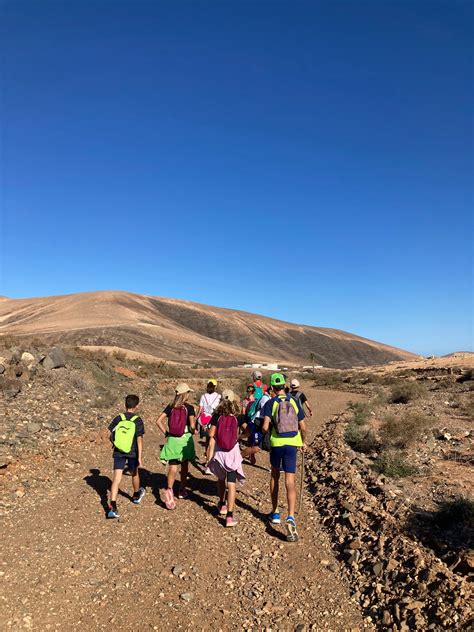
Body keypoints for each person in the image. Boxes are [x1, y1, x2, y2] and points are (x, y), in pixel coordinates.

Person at [262, 373, 306, 542]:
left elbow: (265, 427)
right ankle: (290, 517)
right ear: (285, 387)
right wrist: (302, 442)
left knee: (275, 475)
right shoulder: (294, 401)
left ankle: (274, 513)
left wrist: (265, 432)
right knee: (290, 480)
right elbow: (304, 426)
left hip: (277, 444)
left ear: (272, 387)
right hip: (292, 444)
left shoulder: (271, 403)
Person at [206, 389, 245, 527]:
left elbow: (211, 433)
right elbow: (247, 430)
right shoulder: (238, 417)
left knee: (221, 479)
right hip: (233, 452)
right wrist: (238, 437)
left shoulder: (217, 416)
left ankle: (221, 504)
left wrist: (217, 436)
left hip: (220, 452)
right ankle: (229, 516)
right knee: (232, 483)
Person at [156, 383, 196, 509]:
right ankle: (182, 489)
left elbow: (158, 421)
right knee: (184, 465)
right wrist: (193, 430)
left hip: (173, 439)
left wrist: (166, 433)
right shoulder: (189, 408)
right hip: (184, 440)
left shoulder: (170, 407)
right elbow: (193, 426)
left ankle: (169, 489)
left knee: (173, 467)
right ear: (186, 394)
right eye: (188, 392)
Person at [107, 394, 145, 519]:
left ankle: (112, 506)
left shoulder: (119, 418)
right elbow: (139, 440)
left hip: (118, 451)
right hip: (132, 452)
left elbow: (110, 435)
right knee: (134, 473)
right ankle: (135, 495)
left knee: (116, 478)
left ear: (125, 404)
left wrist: (116, 444)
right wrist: (139, 456)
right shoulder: (137, 420)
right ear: (137, 406)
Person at [243, 382, 272, 465]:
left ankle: (250, 456)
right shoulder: (265, 398)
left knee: (255, 443)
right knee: (255, 445)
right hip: (257, 422)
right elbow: (265, 411)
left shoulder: (267, 398)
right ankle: (240, 456)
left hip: (259, 422)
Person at [196, 379, 221, 460]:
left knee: (207, 439)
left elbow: (200, 410)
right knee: (213, 439)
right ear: (215, 387)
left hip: (204, 419)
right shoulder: (218, 396)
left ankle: (207, 457)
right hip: (214, 419)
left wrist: (197, 421)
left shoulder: (203, 396)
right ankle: (210, 458)